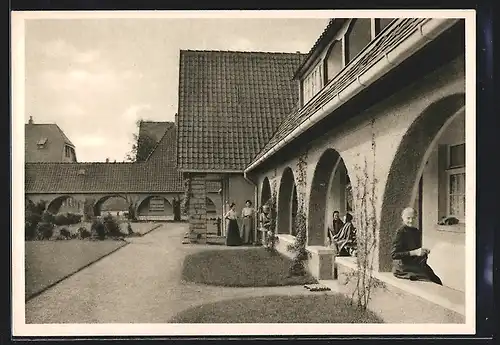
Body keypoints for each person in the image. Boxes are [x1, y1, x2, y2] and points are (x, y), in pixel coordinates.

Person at [391, 207, 442, 285]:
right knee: (427, 279)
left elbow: (415, 249)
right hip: (403, 267)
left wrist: (422, 251)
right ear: (402, 217)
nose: (411, 221)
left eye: (413, 218)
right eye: (408, 218)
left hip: (414, 263)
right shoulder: (400, 232)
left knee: (436, 280)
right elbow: (394, 255)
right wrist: (414, 252)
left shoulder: (416, 231)